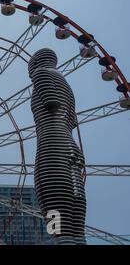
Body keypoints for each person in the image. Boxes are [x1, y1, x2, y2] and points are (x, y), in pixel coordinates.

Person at [29, 48, 87, 245]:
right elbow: (72, 120)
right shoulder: (66, 84)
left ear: (35, 62)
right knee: (76, 201)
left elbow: (51, 101)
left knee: (51, 202)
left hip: (51, 143)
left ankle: (60, 240)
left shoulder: (41, 74)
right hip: (70, 145)